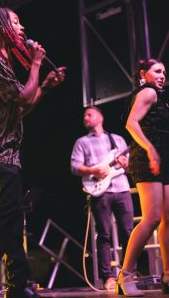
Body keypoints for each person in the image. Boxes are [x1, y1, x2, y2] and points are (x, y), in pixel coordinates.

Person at [0, 7, 66, 298]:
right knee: (8, 212)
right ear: (0, 27)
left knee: (12, 217)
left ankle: (17, 283)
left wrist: (45, 87)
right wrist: (36, 65)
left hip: (7, 148)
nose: (22, 28)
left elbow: (22, 108)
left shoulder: (3, 63)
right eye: (16, 22)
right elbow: (24, 96)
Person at [116, 59, 169, 296]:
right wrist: (149, 149)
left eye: (164, 72)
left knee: (168, 219)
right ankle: (125, 275)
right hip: (148, 159)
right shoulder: (147, 92)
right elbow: (131, 123)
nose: (162, 76)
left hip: (163, 159)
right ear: (143, 74)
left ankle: (168, 275)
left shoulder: (160, 97)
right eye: (157, 71)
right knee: (152, 218)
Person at [71, 106, 134, 291]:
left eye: (89, 114)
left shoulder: (118, 139)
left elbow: (128, 166)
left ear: (100, 117)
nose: (85, 117)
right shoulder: (82, 142)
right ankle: (108, 277)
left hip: (121, 188)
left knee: (128, 233)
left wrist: (126, 163)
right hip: (100, 192)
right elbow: (75, 167)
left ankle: (129, 274)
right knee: (104, 235)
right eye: (84, 115)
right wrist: (93, 170)